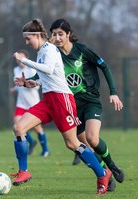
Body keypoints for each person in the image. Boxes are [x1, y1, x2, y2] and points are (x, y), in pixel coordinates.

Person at [11, 18, 112, 195]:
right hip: (48, 100)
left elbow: (49, 69)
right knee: (19, 127)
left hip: (62, 100)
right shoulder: (42, 51)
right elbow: (45, 79)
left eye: (28, 39)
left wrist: (24, 61)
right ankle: (24, 171)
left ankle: (102, 173)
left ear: (37, 35)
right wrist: (28, 83)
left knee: (72, 143)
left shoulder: (49, 49)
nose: (27, 43)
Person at [49, 19, 125, 187]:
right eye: (54, 34)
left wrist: (113, 93)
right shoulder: (53, 54)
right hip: (71, 105)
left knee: (92, 138)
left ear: (68, 34)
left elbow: (104, 66)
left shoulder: (82, 50)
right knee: (83, 147)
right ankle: (106, 174)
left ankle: (112, 165)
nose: (57, 38)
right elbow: (44, 72)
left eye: (60, 34)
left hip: (90, 101)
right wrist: (30, 81)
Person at [11, 49, 50, 157]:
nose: (19, 61)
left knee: (37, 128)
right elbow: (19, 83)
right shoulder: (16, 70)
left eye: (21, 58)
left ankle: (45, 149)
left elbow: (36, 85)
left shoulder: (32, 70)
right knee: (17, 124)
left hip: (33, 103)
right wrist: (15, 88)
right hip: (21, 103)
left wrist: (26, 83)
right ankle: (31, 142)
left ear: (26, 59)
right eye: (18, 59)